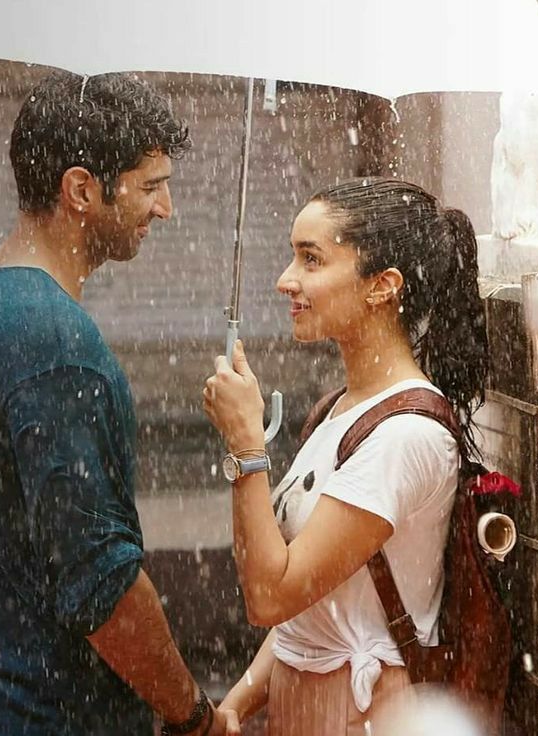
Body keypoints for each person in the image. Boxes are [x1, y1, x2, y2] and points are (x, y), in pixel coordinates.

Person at [0, 72, 236, 735]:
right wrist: (194, 716)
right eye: (150, 186)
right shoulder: (54, 342)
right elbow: (104, 590)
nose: (167, 208)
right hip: (47, 713)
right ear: (81, 190)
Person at [203, 177, 488, 735]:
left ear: (382, 285)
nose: (287, 280)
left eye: (312, 259)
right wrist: (234, 705)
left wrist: (246, 448)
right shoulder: (339, 409)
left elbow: (270, 595)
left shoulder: (406, 435)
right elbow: (305, 617)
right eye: (294, 257)